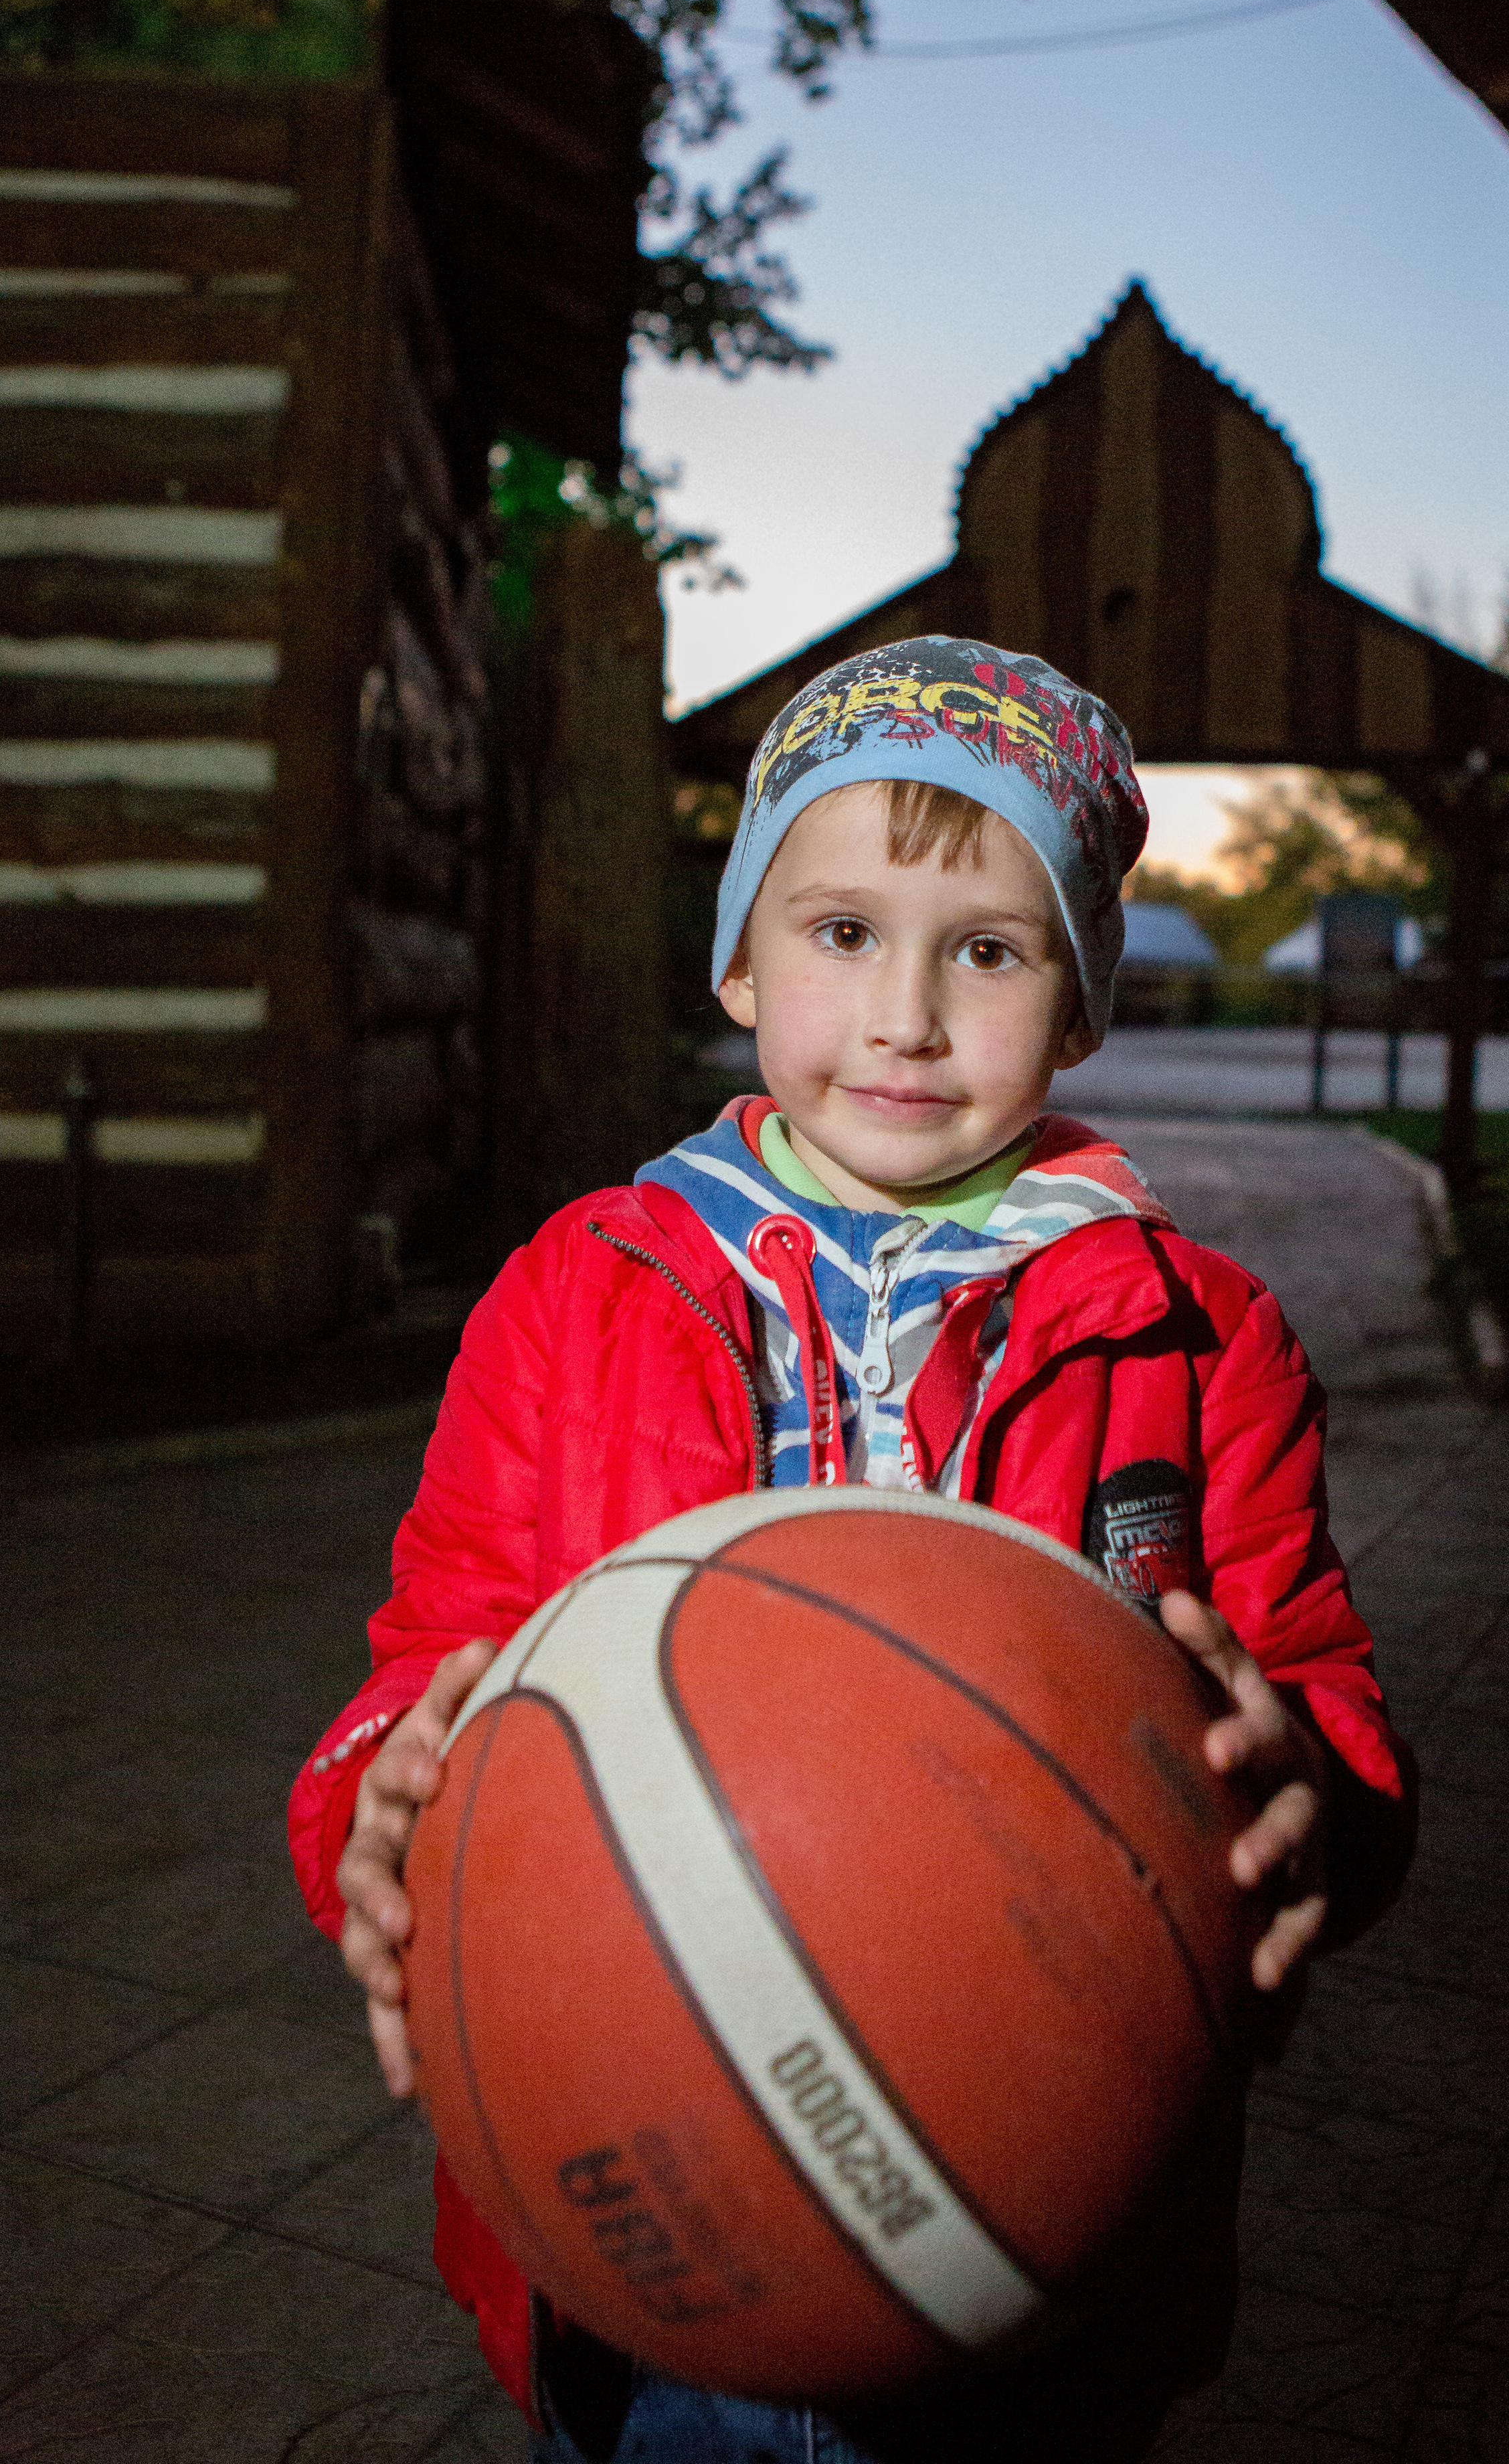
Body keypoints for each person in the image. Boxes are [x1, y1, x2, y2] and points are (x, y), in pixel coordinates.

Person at [288, 635, 1417, 2463]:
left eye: (987, 947)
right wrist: (390, 1810)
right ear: (737, 954)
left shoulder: (1200, 1337)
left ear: (1081, 1001)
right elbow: (429, 1663)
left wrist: (1309, 1792)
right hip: (648, 2220)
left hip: (1026, 2238)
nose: (906, 1012)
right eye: (839, 933)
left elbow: (1329, 1727)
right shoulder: (576, 1300)